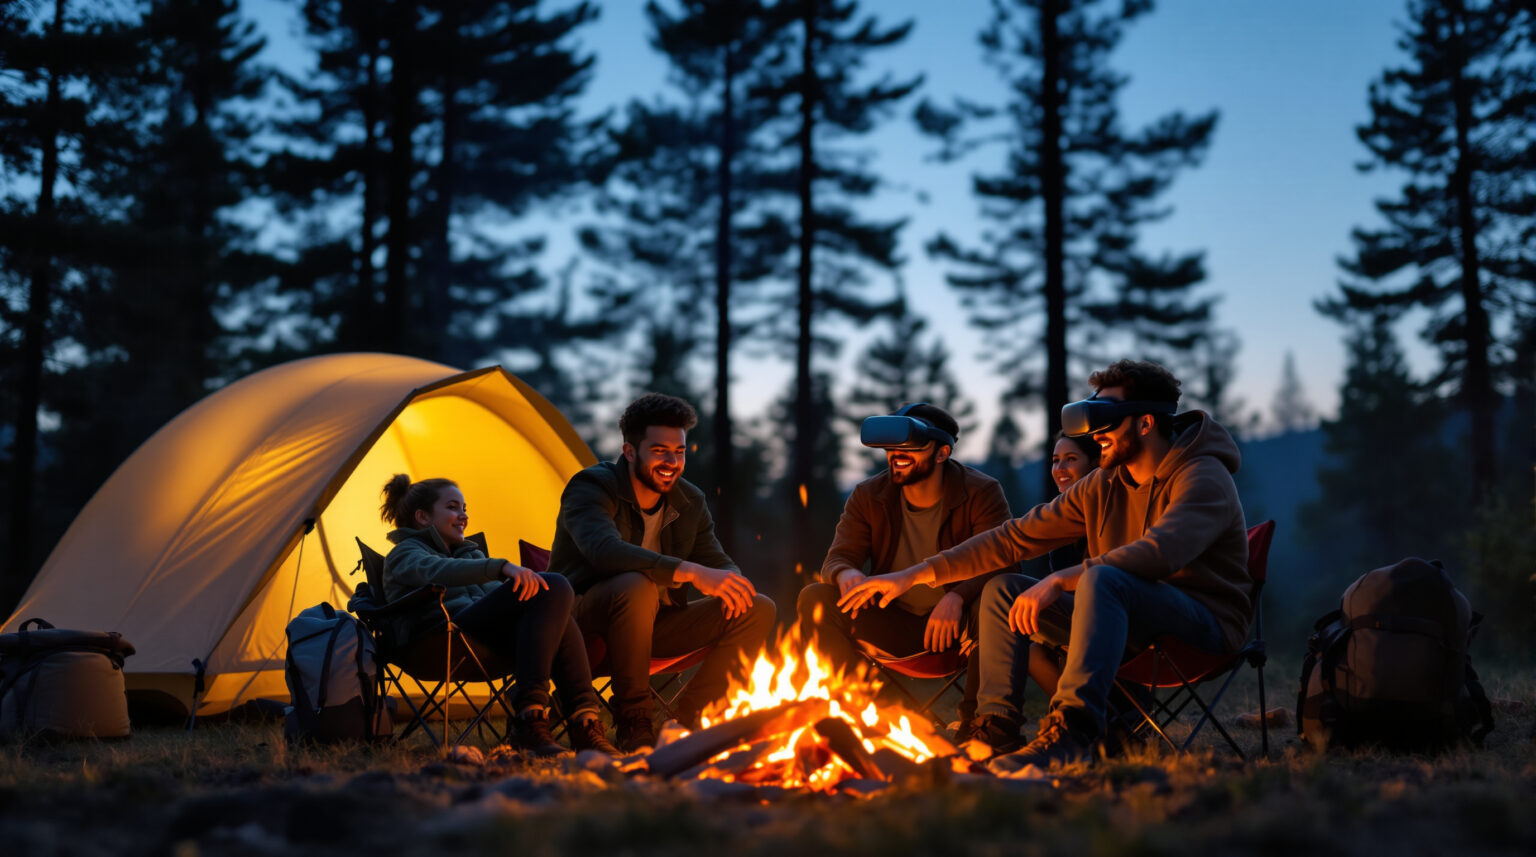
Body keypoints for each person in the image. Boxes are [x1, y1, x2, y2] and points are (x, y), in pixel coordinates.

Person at [840, 360, 1251, 770]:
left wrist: (1060, 579)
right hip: (1126, 618)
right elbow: (1013, 537)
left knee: (1102, 577)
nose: (1095, 434)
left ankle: (1072, 731)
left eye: (1106, 420)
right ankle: (995, 729)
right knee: (1004, 589)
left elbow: (1163, 552)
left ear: (1145, 423)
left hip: (1201, 625)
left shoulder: (1201, 474)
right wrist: (912, 575)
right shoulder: (1104, 484)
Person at [548, 393, 775, 752]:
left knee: (755, 606)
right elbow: (604, 551)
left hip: (655, 625)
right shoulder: (591, 487)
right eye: (659, 451)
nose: (672, 462)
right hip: (583, 624)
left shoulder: (689, 500)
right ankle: (634, 721)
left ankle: (690, 722)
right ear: (629, 451)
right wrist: (688, 572)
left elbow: (715, 559)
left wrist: (732, 581)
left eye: (679, 452)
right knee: (637, 585)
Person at [797, 403, 1013, 742]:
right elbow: (838, 559)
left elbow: (1003, 559)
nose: (898, 454)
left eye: (912, 446)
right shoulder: (870, 495)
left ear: (942, 453)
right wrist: (846, 575)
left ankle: (976, 727)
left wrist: (957, 596)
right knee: (816, 597)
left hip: (960, 629)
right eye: (894, 447)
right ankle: (852, 714)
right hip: (893, 620)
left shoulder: (980, 492)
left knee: (995, 596)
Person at [379, 474, 618, 758]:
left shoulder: (468, 555)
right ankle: (530, 718)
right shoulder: (405, 553)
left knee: (552, 600)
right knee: (552, 584)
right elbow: (436, 570)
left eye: (465, 508)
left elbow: (503, 595)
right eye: (453, 507)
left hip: (481, 638)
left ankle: (584, 722)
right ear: (423, 517)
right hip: (439, 640)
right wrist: (501, 567)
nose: (463, 516)